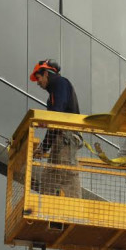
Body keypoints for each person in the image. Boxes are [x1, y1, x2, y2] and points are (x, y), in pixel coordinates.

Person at [30, 59, 83, 198]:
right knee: (50, 176)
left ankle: (75, 210)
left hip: (66, 139)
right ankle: (47, 206)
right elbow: (53, 125)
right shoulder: (53, 95)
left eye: (39, 77)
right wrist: (43, 148)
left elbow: (56, 115)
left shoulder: (60, 84)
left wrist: (46, 121)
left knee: (67, 175)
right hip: (60, 140)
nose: (38, 82)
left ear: (46, 73)